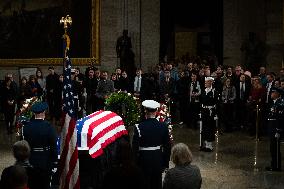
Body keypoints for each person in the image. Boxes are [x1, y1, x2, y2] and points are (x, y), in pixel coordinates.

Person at [132, 100, 171, 189]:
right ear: (156, 111)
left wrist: (135, 164)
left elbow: (134, 149)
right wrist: (165, 163)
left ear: (145, 111)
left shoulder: (138, 127)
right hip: (158, 160)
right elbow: (167, 147)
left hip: (143, 161)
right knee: (156, 184)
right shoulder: (163, 126)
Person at [22, 101, 58, 189]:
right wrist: (55, 161)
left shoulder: (26, 127)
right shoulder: (49, 127)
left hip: (30, 160)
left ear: (34, 113)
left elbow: (24, 145)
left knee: (32, 184)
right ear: (43, 112)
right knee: (44, 185)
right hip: (45, 161)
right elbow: (53, 146)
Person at [265, 87, 284, 171]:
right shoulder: (274, 103)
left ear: (277, 94)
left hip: (275, 129)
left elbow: (280, 119)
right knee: (272, 148)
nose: (271, 94)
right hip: (271, 128)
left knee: (275, 148)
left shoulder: (280, 104)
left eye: (273, 93)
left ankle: (276, 166)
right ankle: (273, 164)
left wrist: (278, 130)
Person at [200, 77, 218, 152]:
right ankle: (206, 144)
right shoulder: (203, 91)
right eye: (205, 82)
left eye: (207, 82)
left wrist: (216, 114)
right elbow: (201, 102)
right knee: (204, 128)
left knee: (210, 128)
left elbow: (217, 104)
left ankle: (209, 146)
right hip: (204, 111)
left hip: (211, 112)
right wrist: (200, 111)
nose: (205, 83)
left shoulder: (214, 92)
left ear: (210, 83)